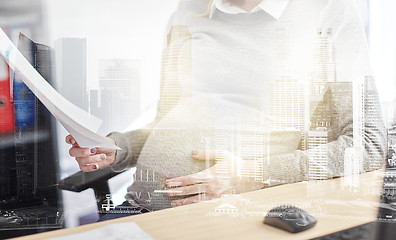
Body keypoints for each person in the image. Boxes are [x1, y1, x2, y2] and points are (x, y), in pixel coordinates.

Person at [67, 0, 386, 220]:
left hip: (226, 216)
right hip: (137, 206)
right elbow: (167, 123)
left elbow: (368, 144)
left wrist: (253, 174)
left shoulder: (328, 10)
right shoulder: (189, 9)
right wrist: (117, 148)